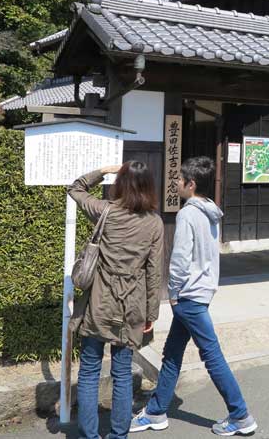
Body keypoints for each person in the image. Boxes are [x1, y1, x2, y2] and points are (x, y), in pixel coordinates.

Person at [130, 156, 257, 436]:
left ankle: (241, 415)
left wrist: (174, 294)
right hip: (202, 291)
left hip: (188, 296)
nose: (176, 182)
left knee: (212, 356)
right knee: (173, 353)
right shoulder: (211, 210)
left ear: (191, 184)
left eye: (180, 179)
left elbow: (179, 260)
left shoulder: (188, 213)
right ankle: (156, 411)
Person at [68, 162, 164, 439]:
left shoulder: (105, 212)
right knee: (122, 373)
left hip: (99, 299)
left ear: (121, 183)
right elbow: (153, 273)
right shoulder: (154, 222)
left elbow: (76, 188)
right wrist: (151, 315)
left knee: (89, 371)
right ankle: (119, 435)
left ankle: (89, 435)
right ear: (149, 186)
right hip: (132, 302)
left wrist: (103, 171)